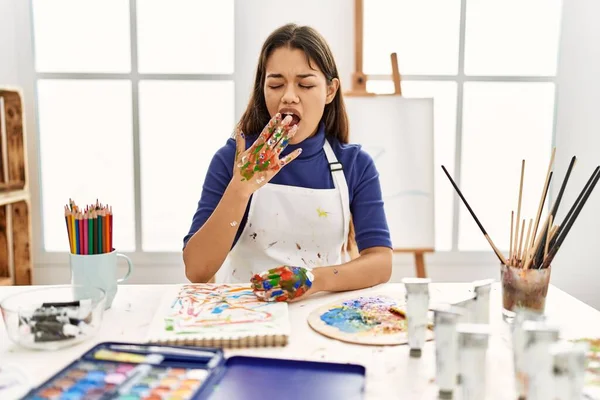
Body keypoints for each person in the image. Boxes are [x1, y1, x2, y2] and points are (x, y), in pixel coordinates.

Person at [183, 23, 392, 302]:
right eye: (276, 84)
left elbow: (381, 261)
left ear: (330, 91)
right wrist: (240, 187)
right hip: (246, 312)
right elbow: (197, 270)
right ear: (263, 88)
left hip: (319, 311)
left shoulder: (355, 164)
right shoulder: (232, 159)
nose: (288, 96)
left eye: (305, 84)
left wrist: (313, 278)